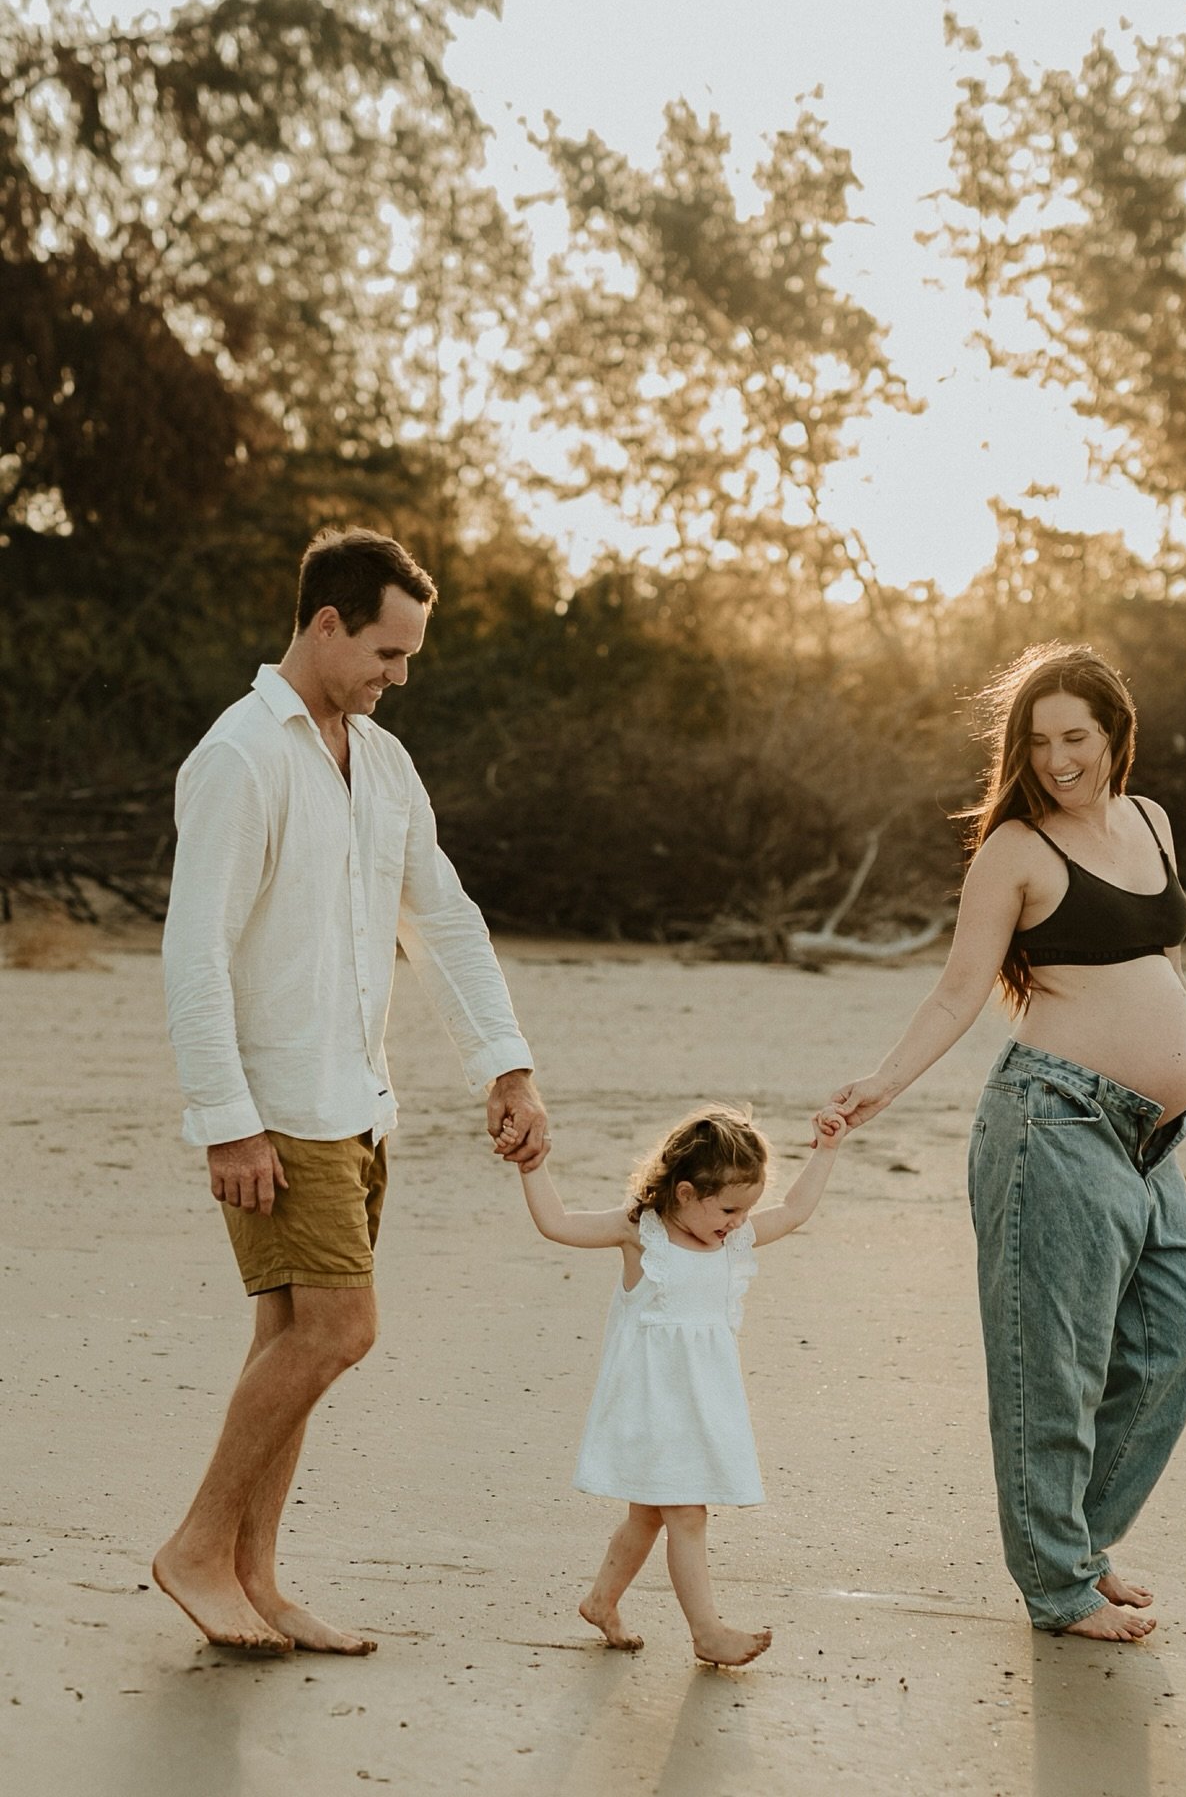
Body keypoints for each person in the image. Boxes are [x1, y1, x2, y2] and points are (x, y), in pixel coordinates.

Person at [822, 643, 1186, 1642]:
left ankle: (1075, 1544)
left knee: (1178, 1342)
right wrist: (879, 1087)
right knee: (1052, 1369)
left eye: (1077, 735)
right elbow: (957, 990)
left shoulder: (1150, 822)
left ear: (1115, 733)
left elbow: (1169, 976)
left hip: (1152, 1141)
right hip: (1054, 1125)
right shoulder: (1016, 852)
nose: (1060, 757)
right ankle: (1060, 1586)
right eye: (1040, 741)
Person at [154, 525, 548, 1655]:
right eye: (386, 651)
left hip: (361, 1102)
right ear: (325, 625)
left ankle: (254, 1576)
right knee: (339, 1329)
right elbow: (195, 953)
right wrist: (227, 1122)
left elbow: (445, 916)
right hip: (278, 1108)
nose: (398, 676)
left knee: (290, 1334)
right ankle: (195, 1549)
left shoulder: (380, 760)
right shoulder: (241, 756)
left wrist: (505, 1063)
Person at [507, 1102, 847, 1666]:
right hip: (651, 1405)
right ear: (685, 1192)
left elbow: (794, 1212)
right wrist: (532, 1167)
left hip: (700, 1404)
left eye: (745, 1210)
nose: (738, 1221)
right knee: (687, 1514)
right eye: (730, 1208)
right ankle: (707, 1632)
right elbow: (557, 1224)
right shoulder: (642, 1235)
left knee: (647, 1515)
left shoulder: (731, 1242)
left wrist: (826, 1151)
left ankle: (601, 1600)